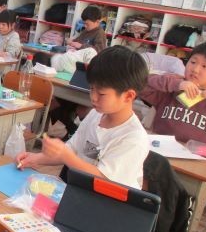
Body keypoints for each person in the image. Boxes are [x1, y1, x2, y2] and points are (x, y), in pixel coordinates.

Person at [16, 46, 149, 189]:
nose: (93, 97)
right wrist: (35, 158)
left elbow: (105, 180)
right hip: (79, 190)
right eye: (91, 89)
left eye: (101, 93)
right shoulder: (96, 116)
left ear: (128, 96)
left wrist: (66, 155)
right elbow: (74, 149)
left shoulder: (133, 138)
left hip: (104, 201)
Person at [140, 42, 206, 144]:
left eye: (205, 66)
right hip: (161, 148)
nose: (195, 70)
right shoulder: (172, 85)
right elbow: (140, 84)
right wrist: (176, 84)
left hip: (197, 154)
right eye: (193, 62)